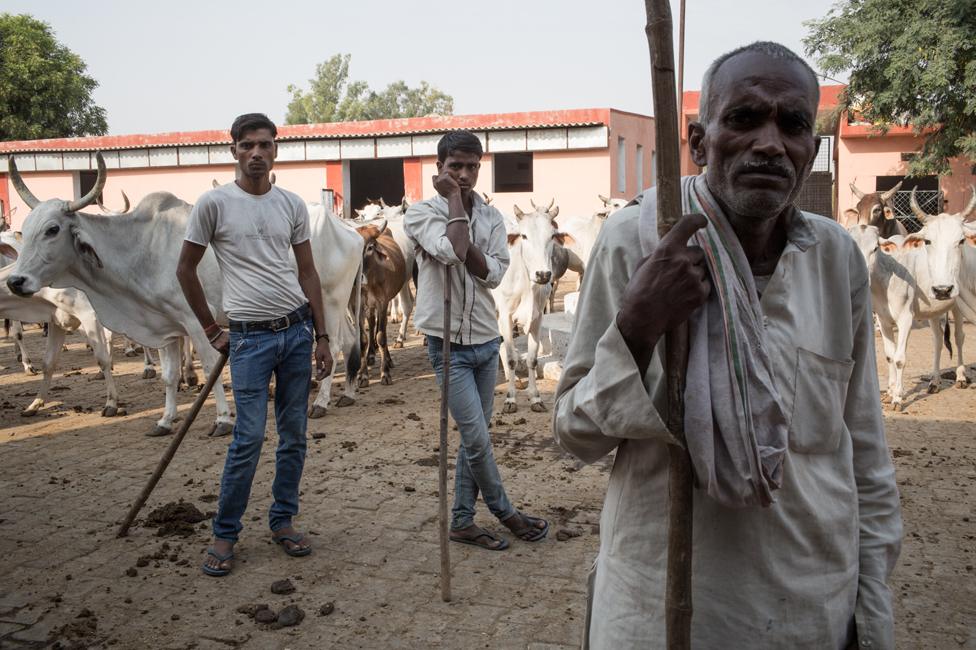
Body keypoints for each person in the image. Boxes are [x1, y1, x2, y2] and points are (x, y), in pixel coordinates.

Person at [553, 42, 902, 649]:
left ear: (810, 151)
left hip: (810, 612)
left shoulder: (837, 257)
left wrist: (868, 609)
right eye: (744, 118)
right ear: (697, 141)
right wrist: (637, 326)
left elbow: (862, 447)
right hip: (660, 612)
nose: (770, 143)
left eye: (792, 125)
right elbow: (575, 434)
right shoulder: (635, 242)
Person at [176, 113, 332, 577]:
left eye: (265, 145)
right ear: (234, 151)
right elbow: (185, 270)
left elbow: (308, 273)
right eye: (247, 146)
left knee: (295, 435)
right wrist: (210, 330)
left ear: (276, 150)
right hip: (247, 339)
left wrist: (323, 336)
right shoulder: (213, 204)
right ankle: (225, 534)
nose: (257, 154)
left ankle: (282, 521)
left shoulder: (291, 204)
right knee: (247, 439)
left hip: (297, 331)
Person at [404, 130, 549, 550]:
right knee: (477, 437)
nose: (464, 175)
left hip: (488, 341)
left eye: (471, 167)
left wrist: (463, 240)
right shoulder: (420, 214)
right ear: (440, 169)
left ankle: (463, 521)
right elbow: (451, 252)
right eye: (456, 168)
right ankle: (507, 512)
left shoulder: (492, 218)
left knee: (475, 437)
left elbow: (493, 274)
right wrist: (454, 206)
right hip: (447, 344)